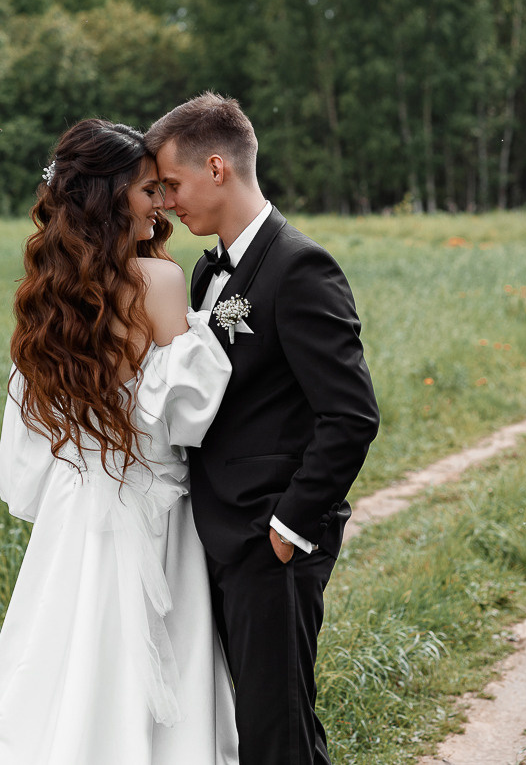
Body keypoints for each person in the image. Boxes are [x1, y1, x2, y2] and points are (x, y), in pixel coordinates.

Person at [0, 119, 238, 765]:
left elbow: (33, 429)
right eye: (148, 190)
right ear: (109, 197)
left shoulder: (49, 297)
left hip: (74, 508)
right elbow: (189, 412)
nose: (162, 202)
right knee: (152, 657)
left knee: (62, 655)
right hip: (154, 512)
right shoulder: (160, 282)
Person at [145, 93, 379, 765]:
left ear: (217, 168)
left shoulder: (300, 267)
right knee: (249, 724)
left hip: (270, 542)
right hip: (213, 535)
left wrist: (286, 531)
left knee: (276, 731)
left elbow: (352, 414)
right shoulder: (205, 271)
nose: (165, 201)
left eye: (173, 184)